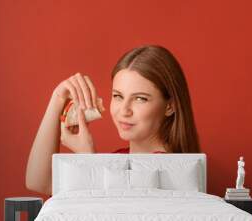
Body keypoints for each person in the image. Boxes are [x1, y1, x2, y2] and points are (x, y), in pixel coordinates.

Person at [25, 45, 201, 195]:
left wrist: (88, 159)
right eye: (118, 96)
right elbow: (39, 182)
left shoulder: (169, 170)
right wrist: (57, 98)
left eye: (140, 98)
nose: (124, 110)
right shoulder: (117, 160)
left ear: (170, 106)